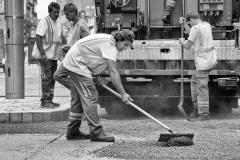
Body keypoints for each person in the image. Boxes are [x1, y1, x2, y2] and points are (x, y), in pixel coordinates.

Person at [61, 29, 135, 142]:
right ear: (120, 39)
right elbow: (113, 72)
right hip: (77, 64)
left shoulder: (107, 39)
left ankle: (73, 131)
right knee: (90, 95)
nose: (125, 48)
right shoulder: (111, 46)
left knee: (77, 98)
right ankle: (96, 132)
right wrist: (123, 94)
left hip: (75, 60)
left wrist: (95, 76)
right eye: (125, 44)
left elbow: (92, 56)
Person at [53, 3, 90, 140]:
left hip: (76, 62)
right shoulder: (73, 26)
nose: (66, 17)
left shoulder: (81, 25)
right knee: (74, 95)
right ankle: (73, 130)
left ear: (74, 12)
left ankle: (73, 130)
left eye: (68, 14)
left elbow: (86, 44)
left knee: (58, 75)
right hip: (70, 61)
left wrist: (72, 49)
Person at [179, 12, 217, 121]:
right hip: (211, 60)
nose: (189, 24)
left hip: (202, 63)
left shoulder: (196, 28)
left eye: (189, 22)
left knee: (201, 87)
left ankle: (204, 114)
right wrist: (185, 24)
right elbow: (193, 33)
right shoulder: (206, 25)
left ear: (191, 19)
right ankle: (197, 108)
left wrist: (182, 41)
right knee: (194, 81)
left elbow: (187, 46)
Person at [32, 2, 67, 108]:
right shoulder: (44, 22)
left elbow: (60, 38)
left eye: (58, 12)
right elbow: (38, 37)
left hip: (54, 56)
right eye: (54, 12)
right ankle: (45, 101)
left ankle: (49, 99)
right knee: (46, 78)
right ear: (50, 12)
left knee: (52, 78)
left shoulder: (58, 22)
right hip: (46, 56)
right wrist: (42, 53)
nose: (56, 14)